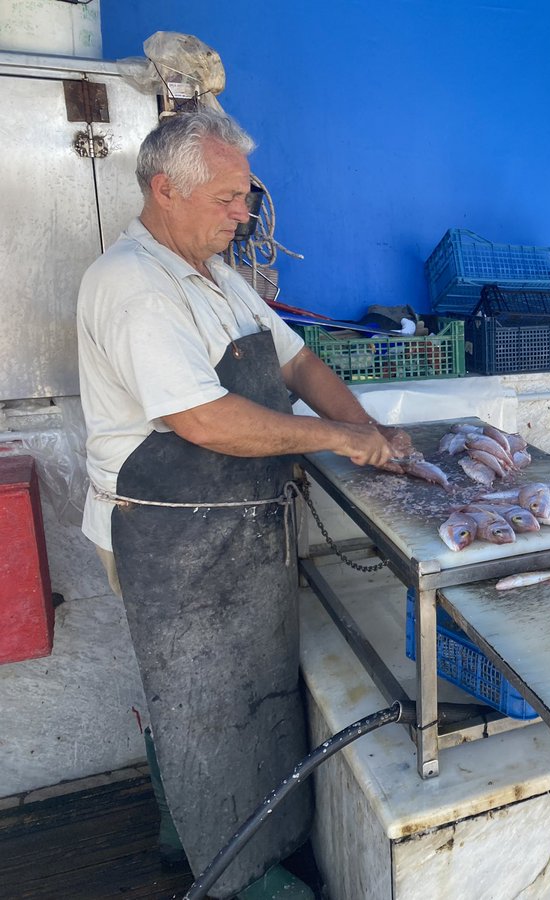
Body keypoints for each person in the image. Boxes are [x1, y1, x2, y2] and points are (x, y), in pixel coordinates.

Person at [77, 110, 412, 900]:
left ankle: (196, 824)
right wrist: (336, 442)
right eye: (229, 199)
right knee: (203, 703)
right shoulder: (133, 284)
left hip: (237, 527)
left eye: (245, 198)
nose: (244, 215)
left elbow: (299, 363)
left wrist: (372, 437)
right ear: (165, 190)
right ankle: (235, 877)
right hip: (167, 536)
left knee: (237, 696)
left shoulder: (217, 277)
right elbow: (203, 419)